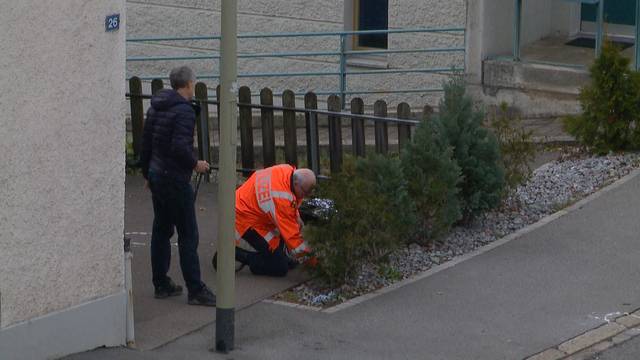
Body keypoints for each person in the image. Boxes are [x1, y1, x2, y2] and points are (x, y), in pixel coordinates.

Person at [139, 66, 216, 306]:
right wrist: (197, 164)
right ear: (189, 85)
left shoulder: (156, 107)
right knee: (188, 234)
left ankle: (161, 283)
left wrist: (147, 175)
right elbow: (180, 148)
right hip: (174, 178)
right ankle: (196, 289)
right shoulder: (184, 112)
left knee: (161, 230)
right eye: (194, 83)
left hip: (157, 175)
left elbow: (146, 144)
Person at [214, 165, 316, 277]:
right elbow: (293, 239)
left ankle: (276, 256)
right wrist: (314, 263)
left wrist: (296, 215)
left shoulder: (287, 170)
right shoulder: (281, 199)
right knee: (279, 267)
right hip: (245, 219)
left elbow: (291, 202)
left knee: (282, 258)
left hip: (248, 207)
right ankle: (237, 255)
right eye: (305, 192)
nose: (306, 196)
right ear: (296, 183)